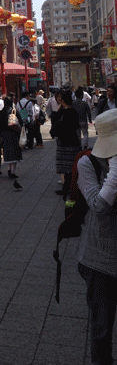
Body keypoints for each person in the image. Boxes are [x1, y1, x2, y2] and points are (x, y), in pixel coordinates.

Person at [77, 108, 117, 365]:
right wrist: (115, 173)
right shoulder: (88, 164)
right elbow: (99, 205)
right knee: (102, 328)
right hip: (100, 259)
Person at [52, 89, 81, 199]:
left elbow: (56, 128)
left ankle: (67, 189)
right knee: (72, 168)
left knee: (65, 168)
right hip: (74, 142)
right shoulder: (74, 112)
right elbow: (76, 126)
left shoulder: (62, 113)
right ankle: (69, 188)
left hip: (64, 143)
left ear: (63, 101)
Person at [0, 95, 22, 178]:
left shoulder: (0, 112)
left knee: (7, 153)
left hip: (4, 135)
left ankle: (8, 169)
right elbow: (21, 121)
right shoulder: (14, 111)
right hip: (13, 134)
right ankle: (12, 172)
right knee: (14, 153)